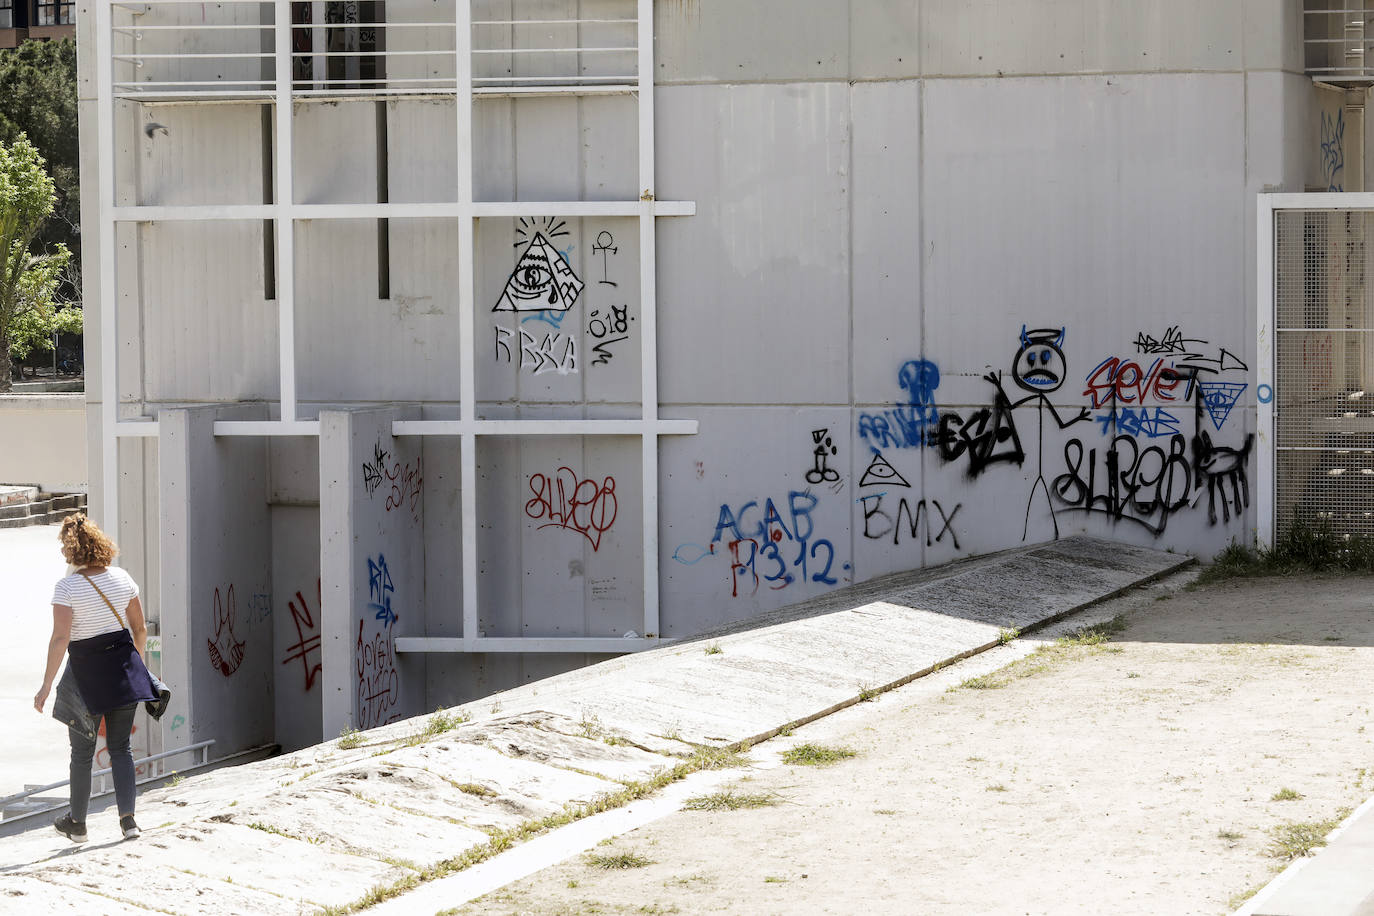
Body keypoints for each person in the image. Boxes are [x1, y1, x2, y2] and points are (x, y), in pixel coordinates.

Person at [32, 514, 161, 843]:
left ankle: (78, 824)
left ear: (71, 549)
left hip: (85, 679)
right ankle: (129, 822)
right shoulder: (122, 578)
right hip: (123, 673)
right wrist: (137, 663)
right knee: (121, 748)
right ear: (100, 544)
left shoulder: (67, 588)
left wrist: (46, 685)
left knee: (82, 754)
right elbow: (140, 629)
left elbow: (61, 639)